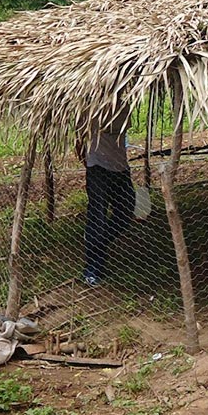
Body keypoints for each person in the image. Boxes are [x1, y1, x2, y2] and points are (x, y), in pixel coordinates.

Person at [80, 109, 135, 286]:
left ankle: (98, 243)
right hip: (98, 169)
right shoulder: (89, 109)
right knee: (97, 217)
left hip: (120, 168)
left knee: (126, 211)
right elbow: (79, 138)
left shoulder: (124, 107)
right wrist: (88, 162)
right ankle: (93, 268)